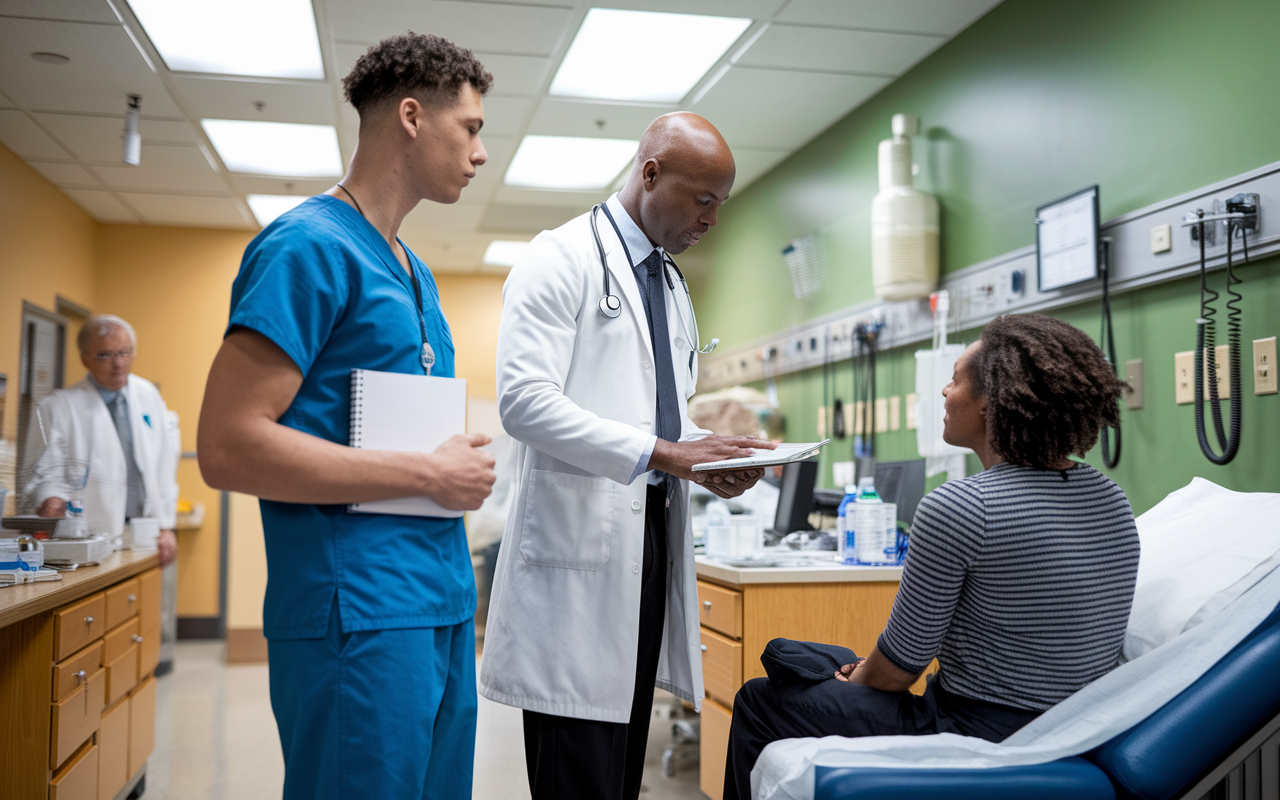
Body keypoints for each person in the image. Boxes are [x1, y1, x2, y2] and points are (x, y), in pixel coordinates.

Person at [197, 33, 496, 800]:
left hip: (438, 601)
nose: (481, 151)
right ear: (410, 117)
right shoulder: (307, 248)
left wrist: (448, 457)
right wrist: (429, 470)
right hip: (356, 612)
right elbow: (229, 446)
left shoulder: (412, 269)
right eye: (470, 128)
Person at [480, 112, 775, 800]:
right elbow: (524, 402)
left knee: (618, 778)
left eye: (721, 204)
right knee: (578, 777)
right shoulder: (560, 257)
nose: (712, 219)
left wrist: (703, 453)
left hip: (645, 550)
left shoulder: (667, 283)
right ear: (650, 174)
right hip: (575, 564)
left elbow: (656, 416)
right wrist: (664, 451)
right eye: (703, 199)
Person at [722, 313, 1141, 799]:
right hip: (1075, 728)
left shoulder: (964, 506)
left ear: (991, 403)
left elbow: (899, 671)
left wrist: (862, 675)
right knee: (819, 660)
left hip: (972, 732)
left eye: (955, 380)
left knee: (761, 696)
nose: (944, 393)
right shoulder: (1110, 497)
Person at [24, 314, 178, 566]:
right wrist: (50, 498)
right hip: (88, 536)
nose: (118, 364)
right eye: (105, 355)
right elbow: (44, 472)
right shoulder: (58, 406)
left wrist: (166, 525)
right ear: (85, 358)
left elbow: (163, 466)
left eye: (124, 353)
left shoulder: (148, 395)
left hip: (144, 532)